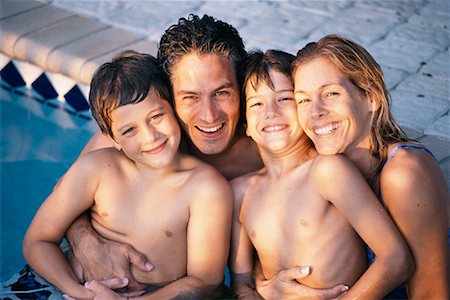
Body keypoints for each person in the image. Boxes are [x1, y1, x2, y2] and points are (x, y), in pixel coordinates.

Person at [65, 15, 347, 299]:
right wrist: (85, 242)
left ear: (241, 87)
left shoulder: (273, 144)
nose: (209, 115)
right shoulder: (135, 139)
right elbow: (64, 202)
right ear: (169, 96)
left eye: (221, 92)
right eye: (190, 97)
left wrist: (261, 283)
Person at [22, 51, 233, 299]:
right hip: (64, 288)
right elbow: (37, 241)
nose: (150, 136)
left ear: (173, 109)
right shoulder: (97, 169)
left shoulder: (206, 188)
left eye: (156, 117)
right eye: (130, 130)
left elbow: (205, 280)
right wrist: (77, 291)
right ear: (113, 139)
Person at [256, 34, 449, 299]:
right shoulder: (324, 166)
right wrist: (262, 282)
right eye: (303, 100)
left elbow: (432, 293)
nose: (316, 112)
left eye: (330, 94)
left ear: (370, 98)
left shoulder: (404, 173)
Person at [229, 49, 413, 299]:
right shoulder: (241, 192)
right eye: (257, 104)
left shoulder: (327, 172)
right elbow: (240, 280)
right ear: (246, 125)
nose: (270, 111)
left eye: (285, 99)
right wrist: (260, 289)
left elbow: (397, 259)